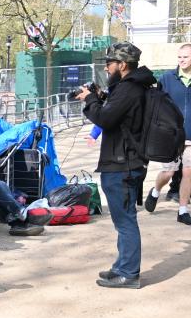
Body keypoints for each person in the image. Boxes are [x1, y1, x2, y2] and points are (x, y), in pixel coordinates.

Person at [77, 42, 155, 289]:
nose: (107, 67)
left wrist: (90, 100)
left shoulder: (128, 89)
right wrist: (100, 97)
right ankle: (122, 266)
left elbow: (105, 119)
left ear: (122, 65)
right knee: (123, 220)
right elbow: (115, 114)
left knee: (125, 221)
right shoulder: (129, 88)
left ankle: (129, 273)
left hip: (122, 164)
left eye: (109, 63)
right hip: (124, 161)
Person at [144, 43, 191, 224]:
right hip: (171, 136)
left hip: (190, 136)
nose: (182, 60)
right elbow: (157, 105)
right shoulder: (167, 78)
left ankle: (183, 210)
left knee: (188, 172)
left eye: (185, 57)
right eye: (179, 57)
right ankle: (155, 191)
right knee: (169, 172)